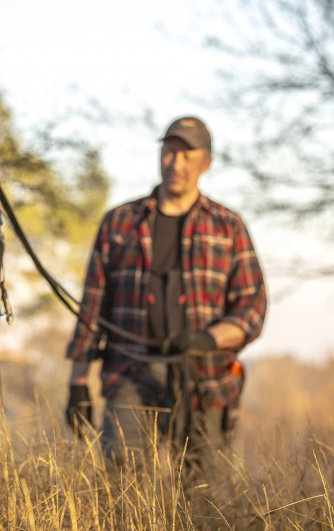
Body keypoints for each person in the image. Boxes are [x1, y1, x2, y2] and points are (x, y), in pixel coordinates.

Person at [65, 116, 266, 469]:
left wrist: (205, 339)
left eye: (188, 156)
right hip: (129, 373)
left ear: (206, 163)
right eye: (170, 152)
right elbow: (92, 309)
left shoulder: (228, 226)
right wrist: (78, 384)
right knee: (123, 496)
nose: (177, 164)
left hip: (206, 382)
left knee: (205, 503)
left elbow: (252, 308)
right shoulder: (119, 222)